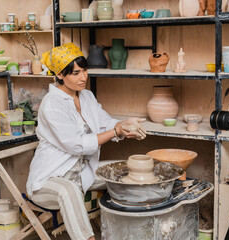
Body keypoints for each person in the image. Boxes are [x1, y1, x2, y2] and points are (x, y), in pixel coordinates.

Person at [26, 43, 147, 240]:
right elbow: (77, 144)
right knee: (69, 190)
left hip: (82, 173)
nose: (83, 78)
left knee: (126, 170)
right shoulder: (51, 104)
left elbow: (104, 123)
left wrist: (124, 125)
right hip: (49, 180)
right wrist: (115, 131)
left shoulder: (87, 96)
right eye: (75, 73)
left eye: (84, 71)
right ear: (60, 75)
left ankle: (135, 232)